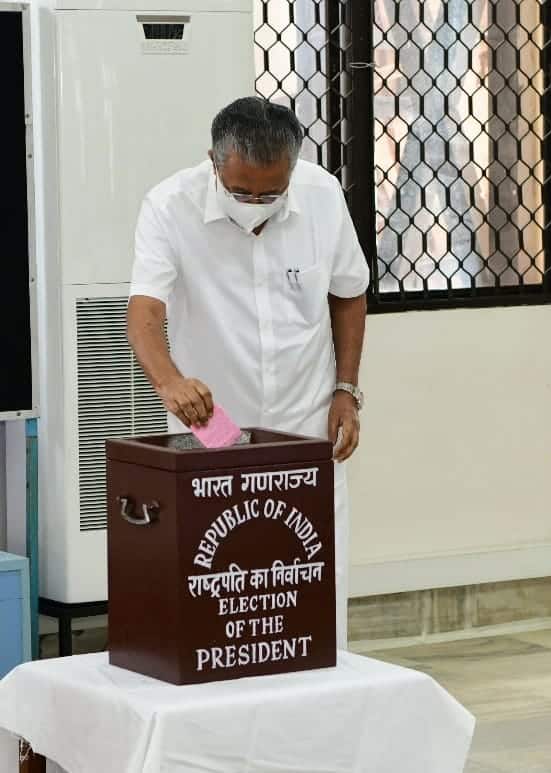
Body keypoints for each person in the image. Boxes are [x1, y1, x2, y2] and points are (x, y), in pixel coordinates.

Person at [127, 96, 369, 648]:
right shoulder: (169, 205)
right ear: (213, 160)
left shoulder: (321, 194)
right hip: (216, 426)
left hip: (308, 420)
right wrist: (170, 380)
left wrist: (346, 391)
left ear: (293, 168)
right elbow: (145, 309)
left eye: (270, 193)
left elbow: (350, 294)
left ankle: (315, 697)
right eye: (241, 192)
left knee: (313, 577)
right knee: (221, 582)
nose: (256, 203)